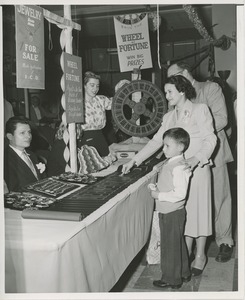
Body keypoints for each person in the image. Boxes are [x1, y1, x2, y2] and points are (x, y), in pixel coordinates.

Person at [122, 75, 217, 276]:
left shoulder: (200, 110)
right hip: (175, 171)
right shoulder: (169, 117)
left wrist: (196, 159)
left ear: (182, 91)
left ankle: (200, 255)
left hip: (197, 169)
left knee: (199, 213)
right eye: (165, 92)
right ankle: (186, 253)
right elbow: (156, 142)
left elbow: (211, 139)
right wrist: (134, 160)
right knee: (183, 214)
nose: (166, 96)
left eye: (169, 92)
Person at [167, 61, 234, 263]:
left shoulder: (210, 88)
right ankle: (195, 245)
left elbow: (222, 119)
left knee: (219, 198)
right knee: (193, 202)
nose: (172, 82)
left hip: (215, 153)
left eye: (175, 75)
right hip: (187, 157)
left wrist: (192, 129)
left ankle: (225, 240)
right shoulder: (177, 95)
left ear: (186, 72)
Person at [148, 127, 191, 289]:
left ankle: (172, 279)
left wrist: (158, 195)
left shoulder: (179, 166)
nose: (163, 149)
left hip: (172, 212)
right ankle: (184, 272)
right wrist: (156, 187)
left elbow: (180, 193)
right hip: (170, 211)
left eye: (167, 146)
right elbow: (168, 184)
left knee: (169, 247)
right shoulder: (171, 162)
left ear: (180, 147)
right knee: (177, 244)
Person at [76, 71, 113, 157]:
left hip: (100, 137)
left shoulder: (101, 99)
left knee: (105, 164)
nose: (95, 89)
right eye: (92, 85)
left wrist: (122, 88)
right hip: (85, 139)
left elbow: (117, 102)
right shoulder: (78, 102)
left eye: (97, 86)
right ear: (84, 86)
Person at [4, 116, 46, 192]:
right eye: (22, 133)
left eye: (29, 132)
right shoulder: (5, 160)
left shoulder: (32, 155)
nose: (28, 136)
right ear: (10, 136)